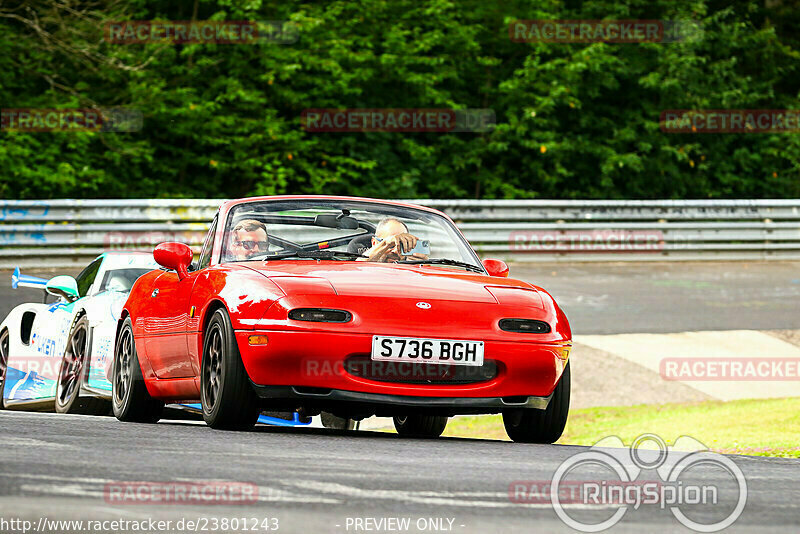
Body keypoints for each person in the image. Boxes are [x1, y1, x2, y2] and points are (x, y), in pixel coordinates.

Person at [362, 217, 428, 263]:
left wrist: (424, 266)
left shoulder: (411, 266)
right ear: (374, 243)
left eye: (402, 245)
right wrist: (387, 243)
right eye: (391, 245)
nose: (396, 251)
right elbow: (359, 266)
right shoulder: (365, 269)